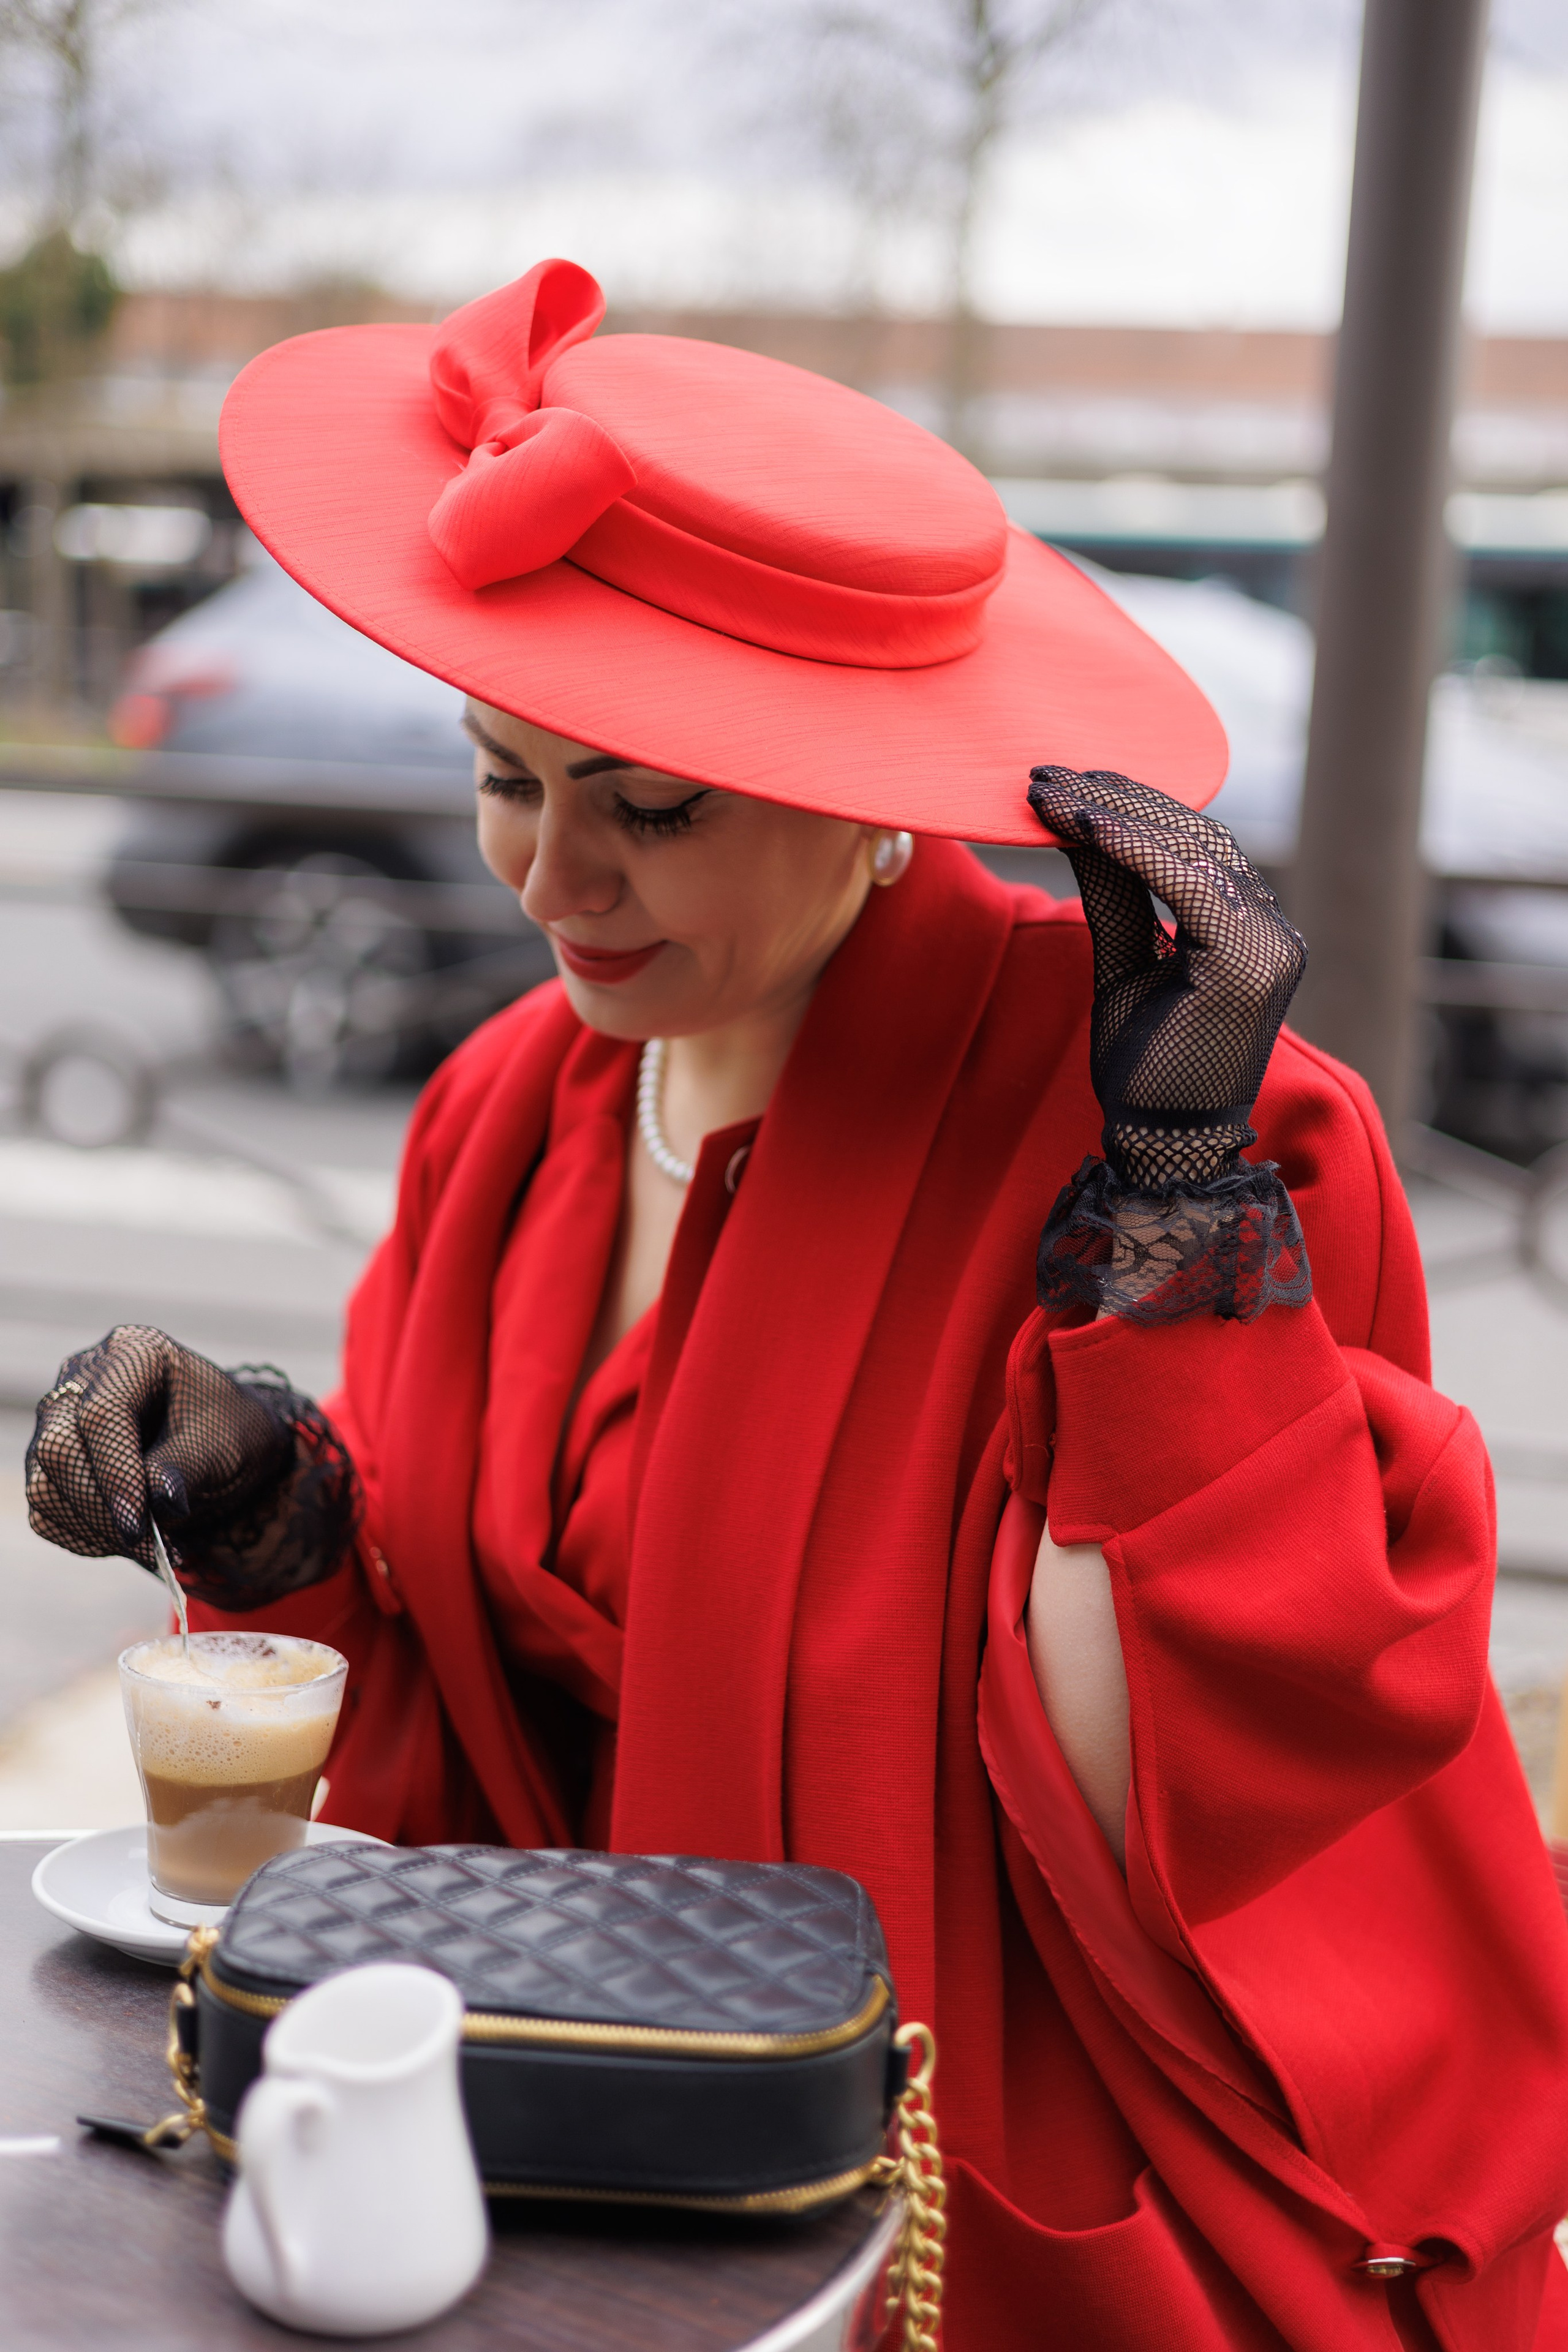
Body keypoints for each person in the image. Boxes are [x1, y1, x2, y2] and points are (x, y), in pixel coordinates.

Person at [24, 260, 1568, 2350]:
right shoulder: (499, 1116)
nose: (551, 880)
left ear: (866, 784)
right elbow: (466, 1690)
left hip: (965, 2208)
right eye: (506, 775)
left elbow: (1236, 1805)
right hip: (560, 2159)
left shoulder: (1195, 1133)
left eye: (651, 805)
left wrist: (1175, 1232)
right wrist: (280, 1508)